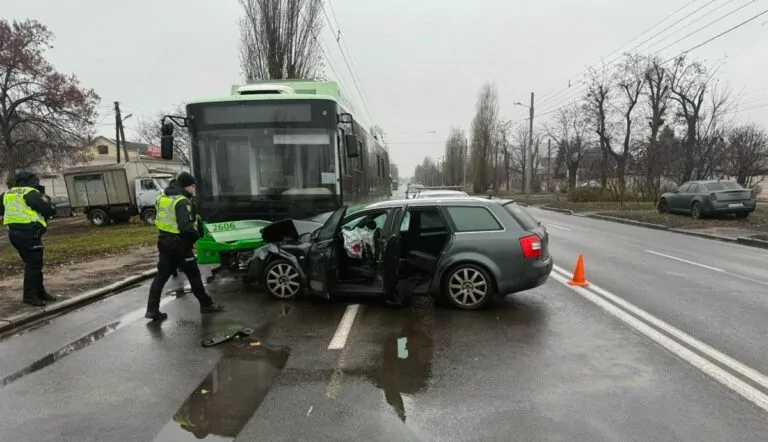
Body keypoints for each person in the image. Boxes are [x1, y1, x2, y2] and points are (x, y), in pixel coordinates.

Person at [145, 172, 224, 320]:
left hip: (163, 241)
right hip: (179, 245)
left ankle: (152, 310)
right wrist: (195, 236)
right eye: (192, 186)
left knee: (161, 277)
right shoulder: (181, 201)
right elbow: (185, 227)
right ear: (186, 186)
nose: (193, 189)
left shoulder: (163, 197)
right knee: (193, 274)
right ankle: (206, 305)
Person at [0, 172, 58, 306]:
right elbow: (50, 210)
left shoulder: (6, 194)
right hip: (29, 233)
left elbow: (2, 210)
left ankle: (40, 292)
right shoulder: (31, 193)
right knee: (33, 265)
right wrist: (45, 198)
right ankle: (30, 295)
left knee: (34, 263)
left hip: (14, 233)